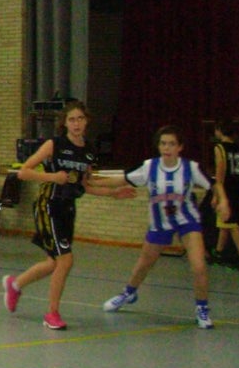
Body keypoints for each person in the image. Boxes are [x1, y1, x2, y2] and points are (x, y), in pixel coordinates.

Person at [1, 100, 135, 330]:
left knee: (54, 262)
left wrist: (114, 193)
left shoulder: (89, 151)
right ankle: (51, 313)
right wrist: (52, 177)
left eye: (80, 119)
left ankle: (15, 284)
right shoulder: (54, 144)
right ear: (65, 123)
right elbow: (23, 172)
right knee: (66, 259)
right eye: (72, 119)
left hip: (67, 208)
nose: (76, 123)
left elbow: (88, 184)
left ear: (86, 121)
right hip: (48, 205)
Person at [93, 126, 227, 328]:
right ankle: (128, 294)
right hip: (159, 223)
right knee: (144, 263)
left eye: (172, 143)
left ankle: (202, 308)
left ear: (180, 147)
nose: (167, 147)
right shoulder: (149, 167)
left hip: (186, 221)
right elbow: (121, 179)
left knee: (199, 266)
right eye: (163, 143)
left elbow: (215, 184)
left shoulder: (190, 168)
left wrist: (223, 200)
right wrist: (90, 180)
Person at [209, 120, 239, 270]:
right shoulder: (238, 148)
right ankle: (218, 254)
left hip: (226, 190)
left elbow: (220, 173)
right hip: (238, 188)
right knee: (224, 225)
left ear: (220, 130)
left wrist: (216, 195)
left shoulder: (219, 148)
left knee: (232, 226)